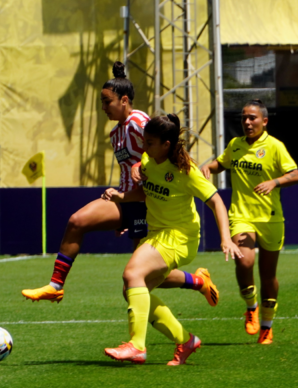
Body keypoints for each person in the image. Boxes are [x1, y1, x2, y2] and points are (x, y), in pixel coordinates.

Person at [22, 62, 219, 307]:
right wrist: (119, 206)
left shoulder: (139, 121)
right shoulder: (115, 133)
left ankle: (198, 283)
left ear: (124, 100)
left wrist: (185, 169)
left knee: (139, 279)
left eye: (107, 102)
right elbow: (129, 169)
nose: (103, 107)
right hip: (127, 200)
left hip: (149, 204)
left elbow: (167, 148)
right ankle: (55, 286)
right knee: (76, 221)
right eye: (102, 102)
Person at [103, 113, 242, 365]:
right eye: (144, 141)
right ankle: (186, 340)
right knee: (132, 290)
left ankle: (137, 345)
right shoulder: (148, 159)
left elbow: (216, 202)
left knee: (132, 273)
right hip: (158, 233)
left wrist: (226, 238)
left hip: (179, 237)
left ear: (166, 144)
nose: (144, 147)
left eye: (150, 143)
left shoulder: (185, 170)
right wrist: (121, 197)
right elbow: (145, 192)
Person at [199, 100, 298, 345]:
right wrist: (207, 167)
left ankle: (267, 326)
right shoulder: (235, 145)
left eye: (252, 118)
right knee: (245, 261)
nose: (247, 122)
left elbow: (295, 174)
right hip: (241, 216)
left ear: (264, 121)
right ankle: (251, 307)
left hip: (271, 219)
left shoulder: (275, 147)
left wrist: (274, 182)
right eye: (244, 118)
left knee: (268, 275)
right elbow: (221, 164)